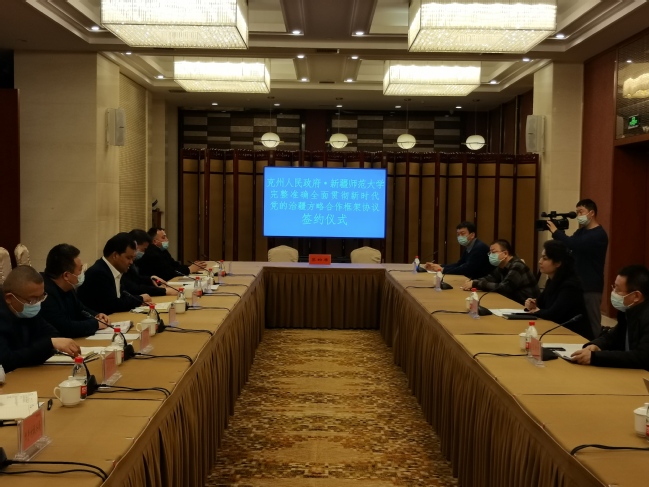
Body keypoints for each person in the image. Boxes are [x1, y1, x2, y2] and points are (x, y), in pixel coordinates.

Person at [0, 265, 80, 372]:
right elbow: (5, 361)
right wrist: (48, 344)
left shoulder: (26, 309)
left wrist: (46, 345)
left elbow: (52, 333)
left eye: (41, 297)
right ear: (9, 298)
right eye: (33, 299)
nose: (37, 303)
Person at [549, 198, 608, 338]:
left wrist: (556, 232)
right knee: (576, 319)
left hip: (591, 285)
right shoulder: (581, 232)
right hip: (577, 283)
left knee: (592, 321)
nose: (578, 215)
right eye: (577, 212)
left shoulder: (599, 234)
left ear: (591, 213)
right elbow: (569, 246)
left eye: (581, 212)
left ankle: (596, 345)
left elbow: (575, 245)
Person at [571, 265, 649, 369]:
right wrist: (596, 345)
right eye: (614, 287)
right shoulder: (628, 311)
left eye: (618, 289)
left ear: (636, 296)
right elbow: (612, 337)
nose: (613, 292)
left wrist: (595, 357)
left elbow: (642, 357)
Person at [524, 240, 593, 340]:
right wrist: (532, 303)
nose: (540, 261)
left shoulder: (570, 285)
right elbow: (541, 304)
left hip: (575, 336)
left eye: (545, 258)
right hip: (556, 331)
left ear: (558, 263)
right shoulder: (551, 281)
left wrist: (536, 311)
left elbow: (553, 314)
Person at [40, 244, 111, 338]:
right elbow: (65, 328)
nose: (82, 273)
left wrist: (97, 315)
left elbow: (81, 309)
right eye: (80, 269)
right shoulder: (44, 293)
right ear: (66, 275)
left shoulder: (67, 286)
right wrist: (96, 324)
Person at [78, 233, 152, 314]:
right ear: (115, 255)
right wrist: (140, 299)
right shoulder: (98, 273)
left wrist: (138, 301)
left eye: (132, 258)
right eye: (128, 258)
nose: (131, 262)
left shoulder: (115, 270)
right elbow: (112, 305)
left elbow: (123, 296)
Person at [462, 239, 539, 305]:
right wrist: (473, 282)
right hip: (512, 303)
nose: (491, 255)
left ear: (505, 253)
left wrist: (476, 284)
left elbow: (504, 287)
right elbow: (490, 278)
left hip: (526, 306)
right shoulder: (502, 266)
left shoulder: (517, 265)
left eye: (493, 252)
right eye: (490, 253)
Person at [424, 221, 491, 279]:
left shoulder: (479, 248)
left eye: (463, 233)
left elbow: (467, 269)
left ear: (472, 235)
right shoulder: (469, 246)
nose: (460, 236)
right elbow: (459, 264)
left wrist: (442, 270)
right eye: (458, 234)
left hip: (480, 281)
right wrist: (438, 266)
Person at [137, 227, 206, 281]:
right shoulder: (152, 254)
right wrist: (189, 269)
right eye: (163, 237)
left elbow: (175, 265)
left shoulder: (162, 251)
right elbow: (169, 273)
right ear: (155, 241)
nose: (167, 239)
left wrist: (190, 267)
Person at [124, 229, 177, 297]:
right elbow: (134, 288)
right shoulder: (125, 265)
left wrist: (151, 278)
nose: (145, 252)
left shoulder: (133, 262)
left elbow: (137, 279)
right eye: (144, 249)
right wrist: (163, 291)